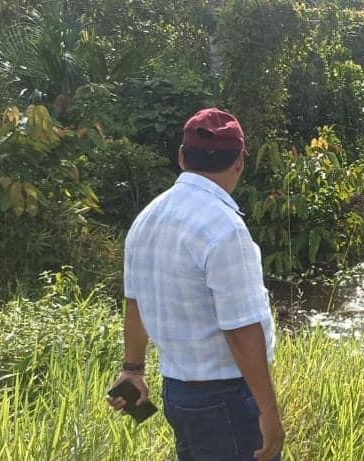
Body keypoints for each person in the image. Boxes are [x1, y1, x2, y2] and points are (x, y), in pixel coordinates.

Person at [106, 108, 284, 461]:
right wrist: (269, 413)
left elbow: (135, 303)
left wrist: (133, 370)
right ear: (240, 162)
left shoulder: (147, 219)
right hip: (228, 398)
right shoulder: (225, 229)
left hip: (179, 393)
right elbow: (241, 332)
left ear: (182, 157)